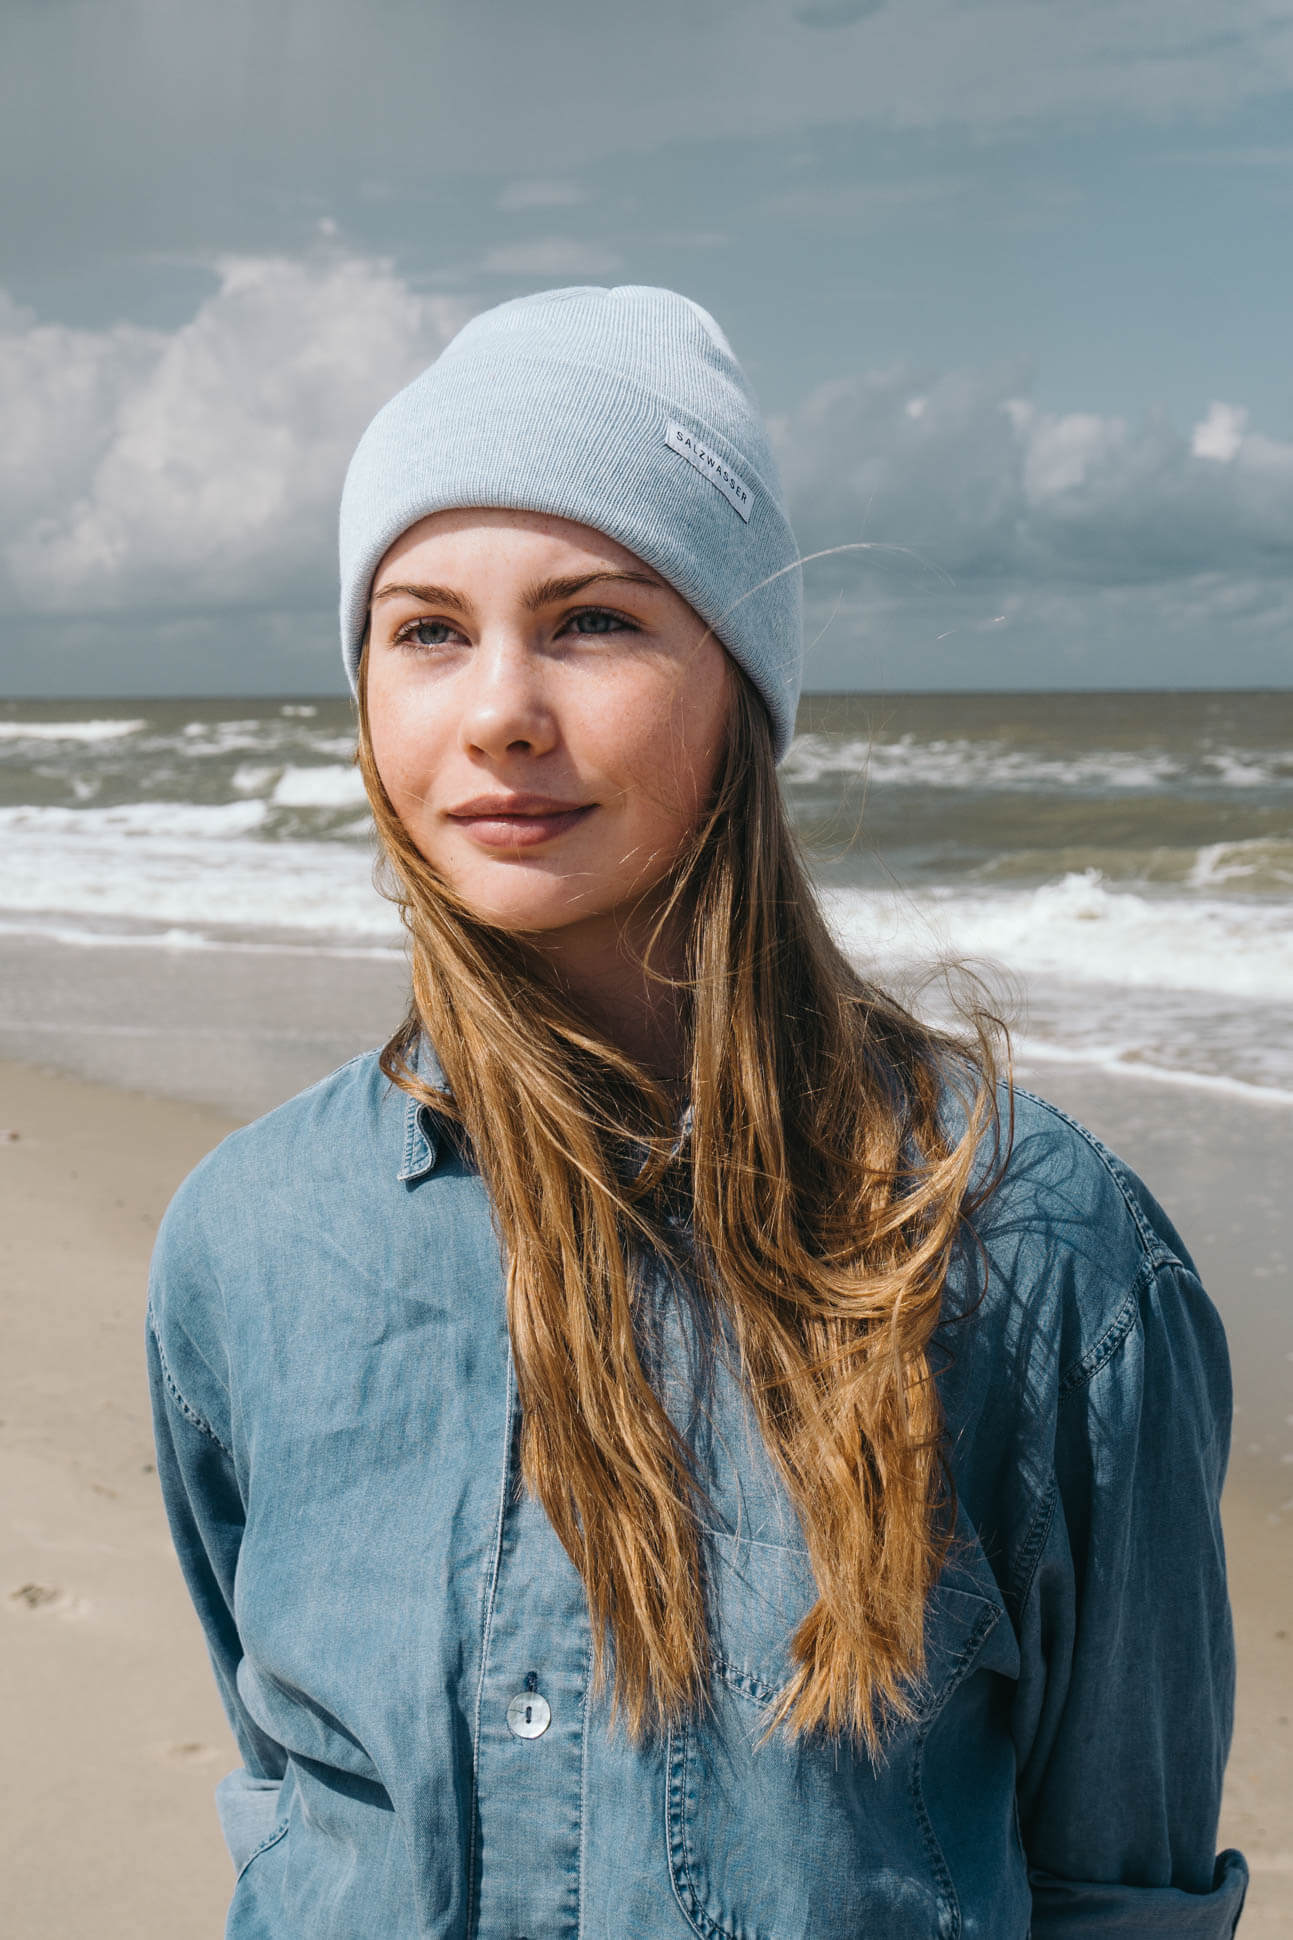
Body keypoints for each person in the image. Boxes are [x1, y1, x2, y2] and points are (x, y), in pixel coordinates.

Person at [146, 285, 1248, 1938]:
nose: (500, 706)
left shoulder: (1030, 1251)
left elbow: (1116, 1888)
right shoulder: (247, 1242)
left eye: (592, 619)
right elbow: (298, 1799)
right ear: (368, 695)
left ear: (737, 680)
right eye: (427, 629)